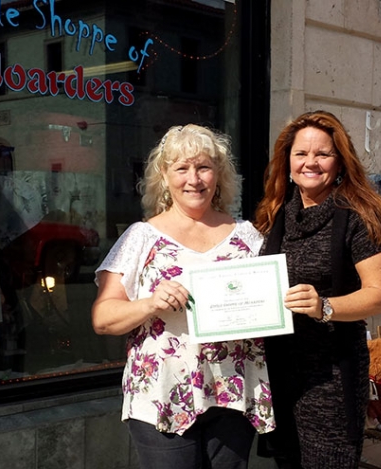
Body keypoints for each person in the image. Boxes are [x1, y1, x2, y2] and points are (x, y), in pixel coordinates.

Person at [92, 124, 274, 469]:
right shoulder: (141, 237)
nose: (194, 179)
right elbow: (103, 319)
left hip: (232, 392)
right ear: (164, 175)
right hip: (162, 396)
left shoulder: (248, 237)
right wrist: (149, 303)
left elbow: (269, 306)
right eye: (182, 168)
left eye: (204, 167)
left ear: (219, 174)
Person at [254, 111, 381, 468]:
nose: (310, 163)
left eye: (322, 154)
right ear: (287, 161)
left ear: (340, 162)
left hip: (332, 375)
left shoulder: (360, 215)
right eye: (301, 154)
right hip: (280, 372)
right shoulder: (276, 214)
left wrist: (324, 306)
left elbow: (380, 294)